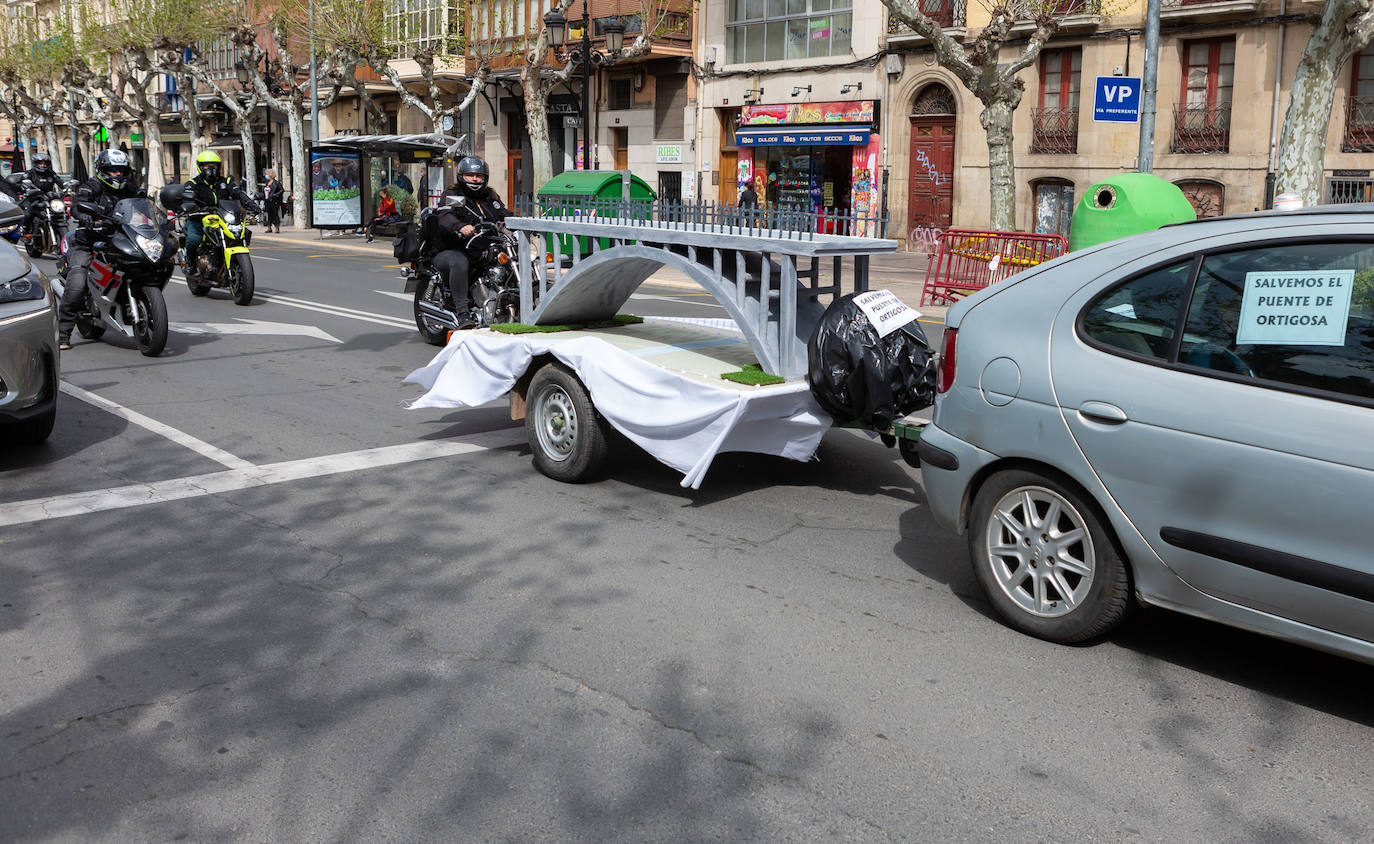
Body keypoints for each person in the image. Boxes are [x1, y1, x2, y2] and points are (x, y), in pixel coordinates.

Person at [57, 149, 143, 351]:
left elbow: (143, 205)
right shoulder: (92, 186)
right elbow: (77, 205)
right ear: (102, 170)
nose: (118, 175)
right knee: (77, 284)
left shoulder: (131, 188)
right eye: (112, 170)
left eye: (121, 170)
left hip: (122, 240)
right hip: (90, 241)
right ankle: (63, 333)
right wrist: (84, 215)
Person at [432, 156, 511, 329]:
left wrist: (526, 223)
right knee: (459, 262)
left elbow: (505, 213)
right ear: (462, 176)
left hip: (481, 248)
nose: (475, 179)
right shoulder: (455, 195)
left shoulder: (489, 198)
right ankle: (463, 315)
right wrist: (459, 226)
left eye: (478, 175)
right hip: (452, 249)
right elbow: (445, 215)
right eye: (470, 175)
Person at [179, 150, 261, 284]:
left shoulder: (226, 181)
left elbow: (238, 194)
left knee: (241, 234)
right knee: (194, 239)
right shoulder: (193, 183)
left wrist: (252, 205)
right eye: (207, 166)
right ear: (201, 167)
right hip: (199, 218)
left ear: (219, 167)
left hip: (222, 217)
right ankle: (191, 265)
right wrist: (190, 206)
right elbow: (186, 197)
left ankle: (224, 265)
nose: (211, 169)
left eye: (214, 165)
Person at [14, 152, 63, 235]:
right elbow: (21, 184)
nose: (43, 165)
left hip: (48, 198)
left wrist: (67, 189)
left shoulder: (51, 173)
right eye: (40, 163)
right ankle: (25, 230)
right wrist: (26, 189)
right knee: (29, 214)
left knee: (60, 211)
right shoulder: (29, 174)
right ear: (35, 163)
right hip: (31, 198)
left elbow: (60, 182)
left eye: (45, 163)